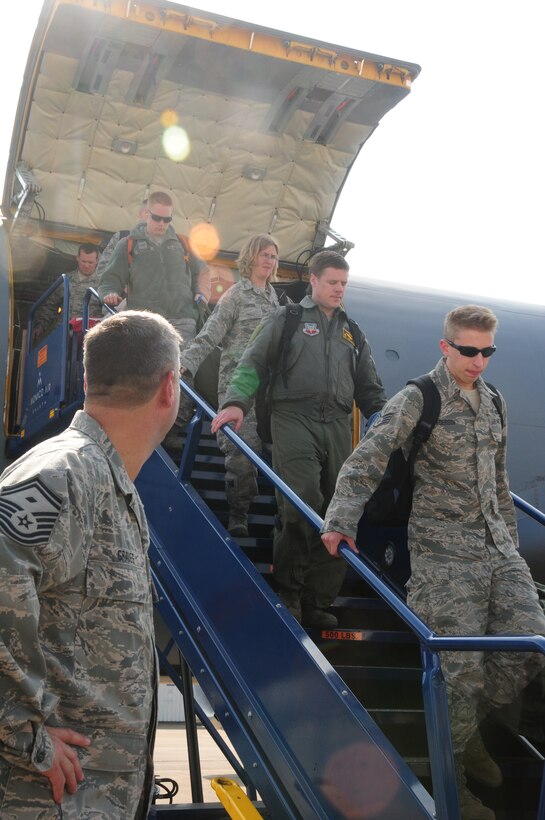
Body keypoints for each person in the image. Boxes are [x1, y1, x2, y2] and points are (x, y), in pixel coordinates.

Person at [321, 305, 545, 820]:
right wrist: (341, 518)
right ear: (446, 347)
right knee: (458, 670)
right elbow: (370, 454)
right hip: (443, 553)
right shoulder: (419, 397)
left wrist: (511, 548)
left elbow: (500, 481)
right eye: (468, 350)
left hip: (497, 549)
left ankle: (468, 739)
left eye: (488, 351)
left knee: (530, 646)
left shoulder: (494, 402)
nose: (479, 361)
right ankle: (457, 787)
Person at [0, 310, 181, 818]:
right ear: (170, 387)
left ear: (86, 381)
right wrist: (23, 731)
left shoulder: (109, 483)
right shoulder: (67, 473)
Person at [212, 250, 387, 628]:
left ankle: (317, 600)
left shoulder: (352, 332)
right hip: (294, 418)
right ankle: (288, 592)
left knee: (339, 511)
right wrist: (236, 403)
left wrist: (382, 420)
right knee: (299, 502)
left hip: (338, 424)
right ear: (314, 280)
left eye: (344, 284)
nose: (339, 290)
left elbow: (369, 388)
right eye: (332, 282)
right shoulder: (287, 318)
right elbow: (252, 362)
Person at [180, 234, 282, 537]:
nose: (269, 261)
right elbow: (211, 333)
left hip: (269, 393)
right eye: (264, 254)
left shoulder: (276, 301)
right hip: (238, 390)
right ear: (250, 258)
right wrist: (186, 363)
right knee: (241, 453)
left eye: (274, 256)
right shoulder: (236, 295)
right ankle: (239, 514)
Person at [97, 190, 211, 439]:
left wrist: (201, 294)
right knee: (148, 372)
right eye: (157, 218)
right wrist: (110, 294)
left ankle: (175, 429)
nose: (162, 224)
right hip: (147, 319)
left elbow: (202, 271)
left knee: (182, 372)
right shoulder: (128, 244)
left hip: (183, 318)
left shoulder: (183, 243)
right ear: (147, 214)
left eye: (167, 219)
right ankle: (149, 427)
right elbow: (109, 279)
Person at [34, 243, 102, 338]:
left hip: (88, 336)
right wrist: (41, 326)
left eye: (90, 262)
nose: (86, 265)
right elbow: (50, 306)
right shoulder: (65, 279)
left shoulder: (104, 284)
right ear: (77, 258)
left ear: (97, 261)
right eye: (83, 261)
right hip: (62, 334)